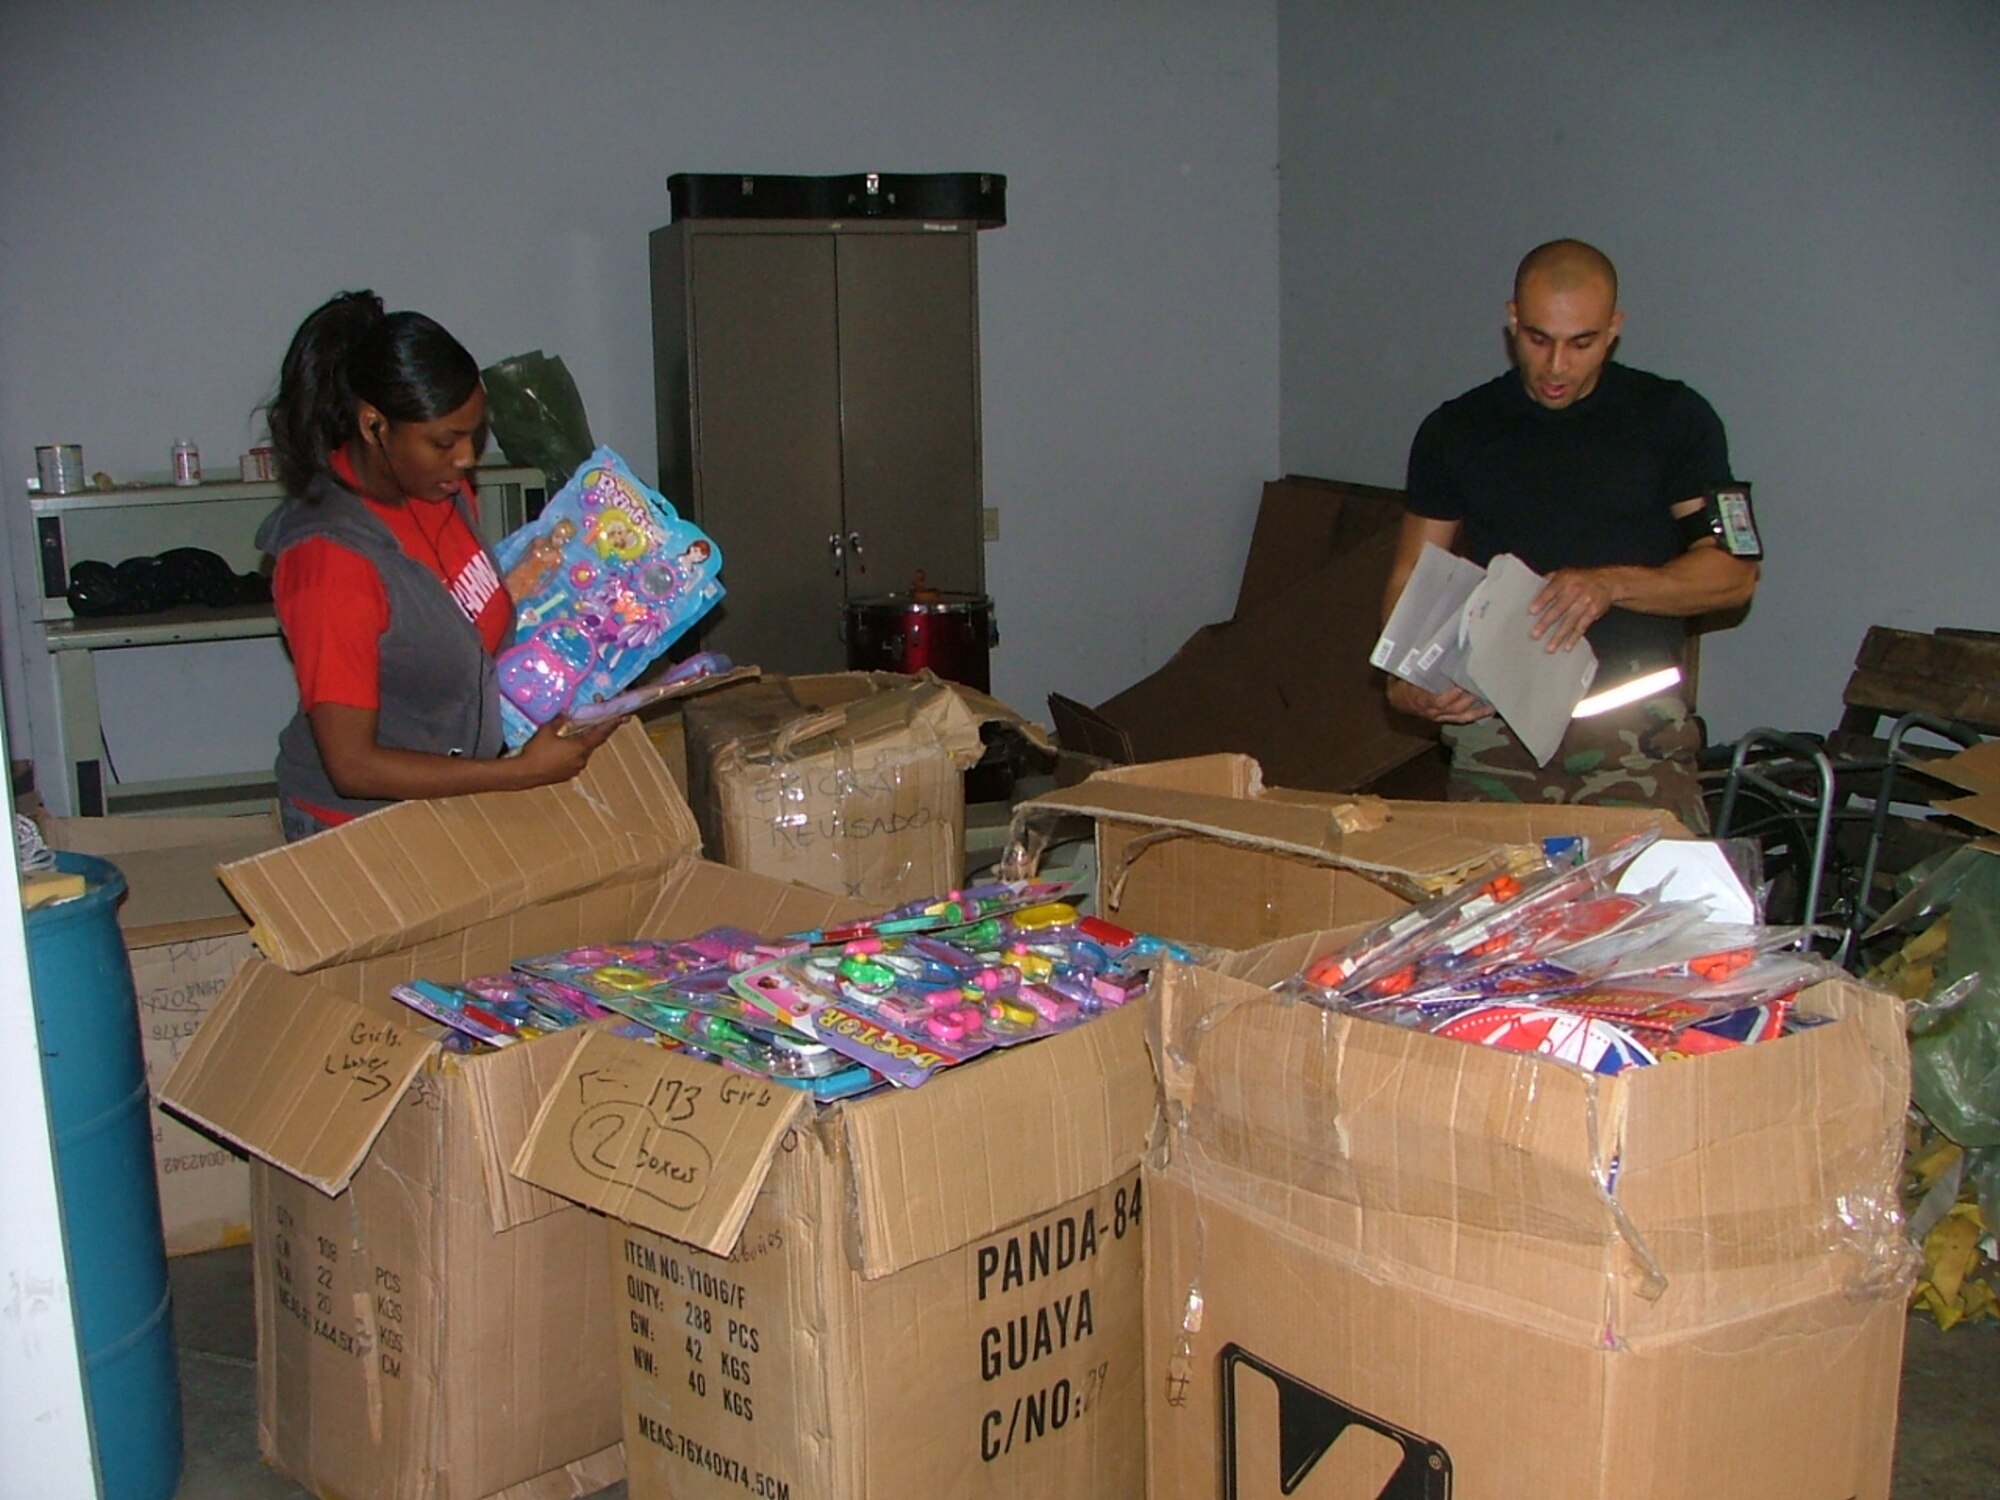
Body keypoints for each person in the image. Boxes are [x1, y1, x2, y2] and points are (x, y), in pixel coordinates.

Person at [1382, 240, 1760, 828]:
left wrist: (1610, 585)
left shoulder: (1674, 419)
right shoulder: (1457, 430)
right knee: (1489, 911)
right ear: (1512, 320)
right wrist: (1406, 682)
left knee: (1654, 911)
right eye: (1538, 339)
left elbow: (1734, 575)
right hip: (1496, 737)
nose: (1557, 366)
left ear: (1614, 329)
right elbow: (1413, 573)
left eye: (1581, 343)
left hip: (1633, 737)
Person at [260, 290, 620, 841]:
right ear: (373, 424)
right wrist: (515, 774)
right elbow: (352, 766)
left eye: (474, 435)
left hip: (446, 800)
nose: (466, 459)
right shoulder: (331, 562)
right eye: (444, 441)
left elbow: (468, 623)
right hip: (355, 831)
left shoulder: (440, 492)